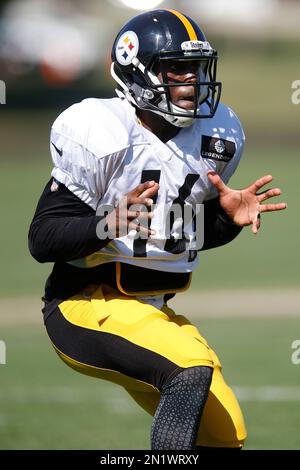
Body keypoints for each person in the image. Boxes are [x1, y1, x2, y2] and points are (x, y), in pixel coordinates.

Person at [28, 9, 286, 450]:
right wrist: (105, 225)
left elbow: (176, 236)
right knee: (189, 365)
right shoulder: (101, 130)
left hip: (152, 310)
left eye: (197, 67)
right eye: (176, 68)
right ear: (137, 72)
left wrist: (225, 220)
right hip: (84, 304)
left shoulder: (217, 134)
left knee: (225, 437)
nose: (192, 80)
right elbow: (42, 239)